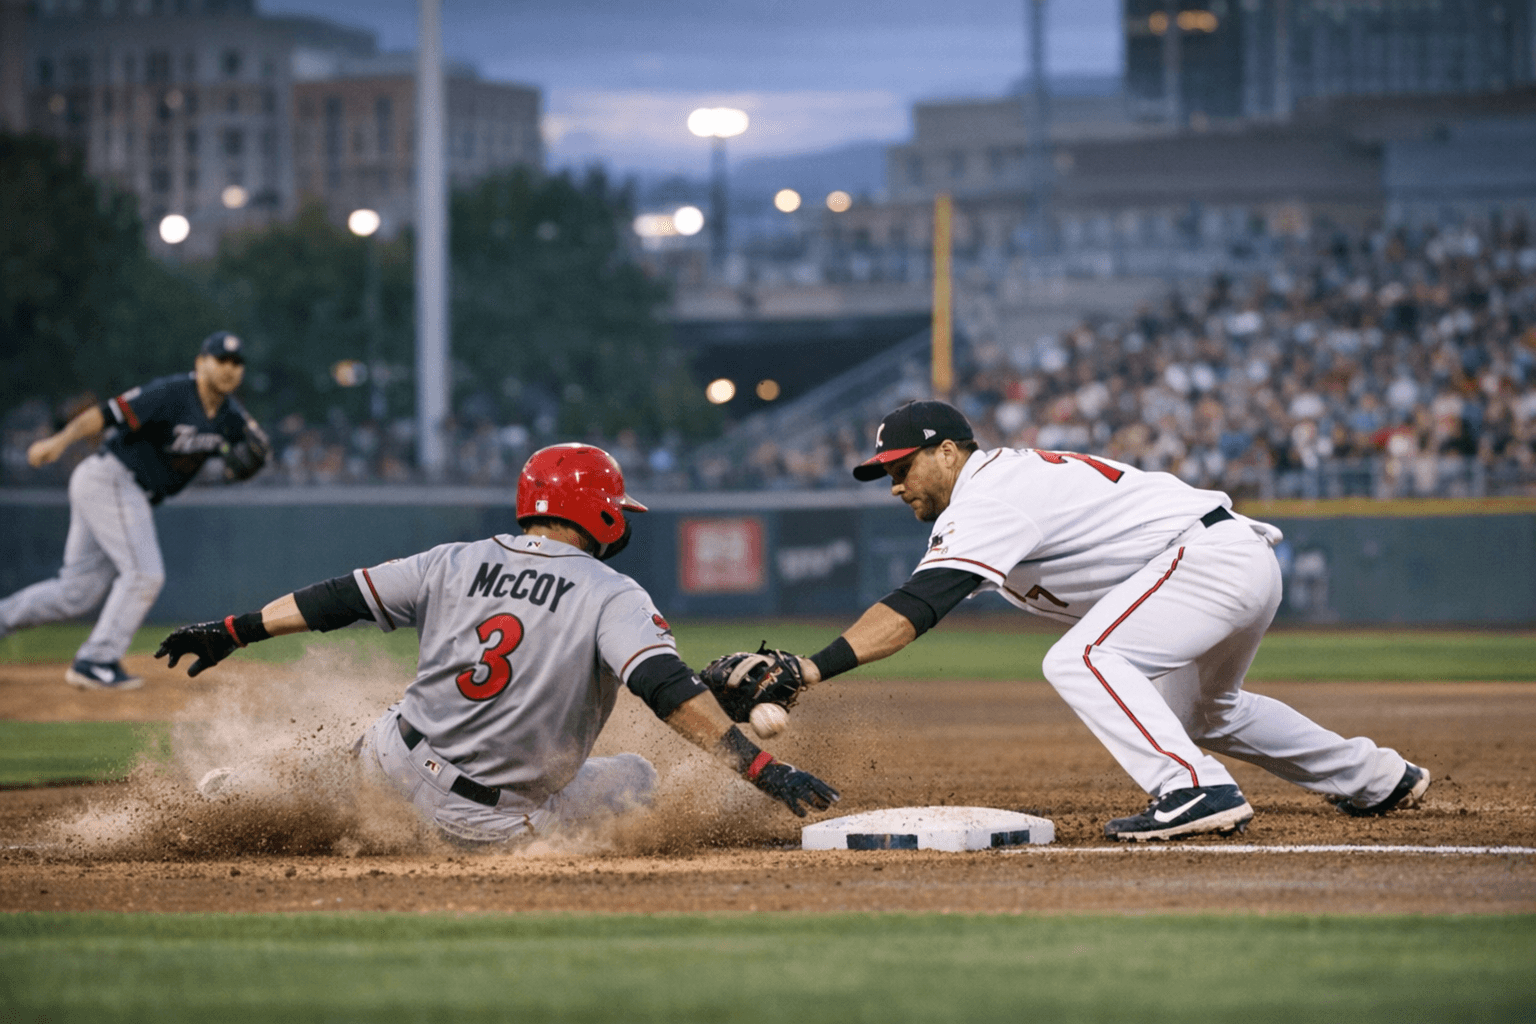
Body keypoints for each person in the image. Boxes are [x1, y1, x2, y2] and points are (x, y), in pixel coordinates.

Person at [772, 400, 1428, 842]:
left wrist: (808, 668)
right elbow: (928, 592)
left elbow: (921, 605)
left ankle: (1193, 788)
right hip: (1228, 560)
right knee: (1206, 712)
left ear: (947, 451)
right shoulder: (998, 491)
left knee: (1080, 658)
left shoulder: (988, 496)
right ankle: (1374, 778)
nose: (893, 485)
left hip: (1205, 561)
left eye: (900, 467)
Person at [155, 443, 838, 846]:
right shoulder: (613, 593)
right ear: (600, 511)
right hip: (482, 822)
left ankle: (245, 794)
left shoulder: (451, 559)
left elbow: (336, 599)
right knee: (638, 778)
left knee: (366, 750)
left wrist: (233, 630)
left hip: (394, 759)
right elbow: (665, 690)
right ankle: (319, 810)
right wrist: (762, 769)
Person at [0, 332, 268, 690]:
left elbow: (254, 449)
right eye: (221, 360)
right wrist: (59, 441)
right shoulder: (172, 393)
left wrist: (248, 461)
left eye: (236, 363)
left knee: (76, 592)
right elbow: (107, 413)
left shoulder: (230, 415)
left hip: (124, 491)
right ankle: (96, 660)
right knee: (144, 574)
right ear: (200, 362)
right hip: (111, 479)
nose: (229, 369)